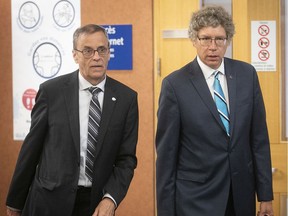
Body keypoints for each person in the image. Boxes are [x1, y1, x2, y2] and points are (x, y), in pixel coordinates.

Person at [6, 24, 139, 216]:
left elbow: (126, 159)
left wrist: (111, 198)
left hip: (95, 204)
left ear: (109, 52)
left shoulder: (126, 99)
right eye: (87, 51)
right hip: (48, 201)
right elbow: (31, 149)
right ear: (75, 55)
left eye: (102, 49)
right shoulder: (51, 92)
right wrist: (15, 202)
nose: (96, 57)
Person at [155, 6, 274, 216]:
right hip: (195, 200)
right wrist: (166, 211)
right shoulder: (175, 85)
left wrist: (265, 195)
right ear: (194, 40)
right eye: (205, 39)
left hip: (240, 198)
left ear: (227, 40)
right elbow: (166, 155)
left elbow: (259, 140)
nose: (213, 47)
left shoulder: (247, 75)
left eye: (220, 39)